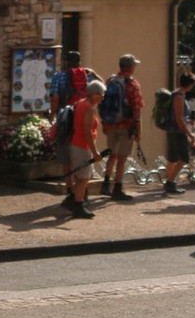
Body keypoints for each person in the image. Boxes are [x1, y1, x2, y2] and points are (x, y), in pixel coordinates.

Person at [49, 51, 101, 209]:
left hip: (65, 119)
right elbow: (101, 87)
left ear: (65, 61)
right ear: (79, 61)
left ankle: (70, 189)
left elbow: (55, 97)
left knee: (66, 157)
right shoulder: (87, 75)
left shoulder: (58, 76)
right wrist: (93, 73)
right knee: (82, 155)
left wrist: (53, 115)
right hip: (82, 114)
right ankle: (82, 191)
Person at [99, 53, 144, 201]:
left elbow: (102, 103)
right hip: (126, 125)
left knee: (112, 153)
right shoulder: (132, 84)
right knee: (122, 157)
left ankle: (106, 183)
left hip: (111, 123)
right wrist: (137, 128)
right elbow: (136, 107)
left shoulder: (110, 81)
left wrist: (104, 123)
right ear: (130, 67)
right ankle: (117, 187)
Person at [68, 79, 106, 218]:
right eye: (101, 94)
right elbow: (87, 131)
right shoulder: (89, 108)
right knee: (84, 178)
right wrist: (95, 152)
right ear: (94, 94)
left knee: (81, 177)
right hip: (82, 146)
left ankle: (76, 201)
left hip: (75, 143)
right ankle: (78, 205)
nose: (102, 97)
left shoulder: (81, 103)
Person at [163, 73, 195, 194]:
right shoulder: (179, 96)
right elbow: (178, 118)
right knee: (184, 158)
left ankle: (169, 181)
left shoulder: (176, 93)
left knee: (173, 158)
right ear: (190, 84)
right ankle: (170, 182)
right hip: (178, 131)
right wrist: (189, 133)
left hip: (172, 130)